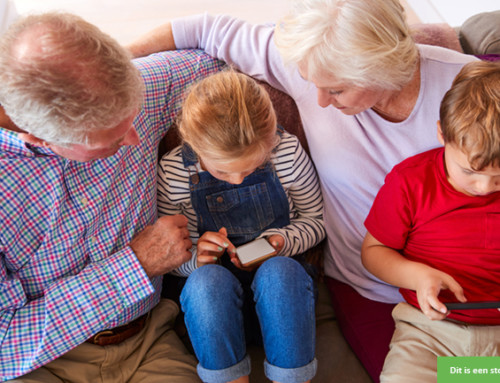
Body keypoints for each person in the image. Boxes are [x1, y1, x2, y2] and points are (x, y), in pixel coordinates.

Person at [126, 0, 478, 380]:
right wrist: (118, 64)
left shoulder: (468, 88)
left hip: (463, 278)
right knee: (419, 376)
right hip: (372, 286)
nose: (320, 101)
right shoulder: (313, 63)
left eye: (336, 90)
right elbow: (204, 28)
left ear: (382, 70)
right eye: (314, 84)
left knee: (474, 372)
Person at [0, 12, 225, 382]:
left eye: (134, 117)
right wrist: (136, 264)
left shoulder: (138, 87)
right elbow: (7, 345)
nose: (135, 140)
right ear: (39, 140)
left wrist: (129, 56)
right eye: (114, 141)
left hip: (148, 341)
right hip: (45, 365)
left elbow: (226, 45)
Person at [157, 70, 325, 383]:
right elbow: (171, 259)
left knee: (280, 272)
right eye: (222, 170)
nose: (237, 179)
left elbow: (316, 220)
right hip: (214, 309)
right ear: (193, 143)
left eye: (252, 168)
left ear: (271, 137)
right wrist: (196, 257)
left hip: (283, 302)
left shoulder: (286, 153)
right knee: (206, 281)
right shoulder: (174, 172)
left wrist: (282, 241)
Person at [361, 60, 500, 382]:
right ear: (442, 134)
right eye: (470, 172)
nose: (483, 188)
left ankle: (469, 376)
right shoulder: (411, 181)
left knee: (471, 377)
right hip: (430, 331)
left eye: (498, 177)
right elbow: (374, 251)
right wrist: (418, 276)